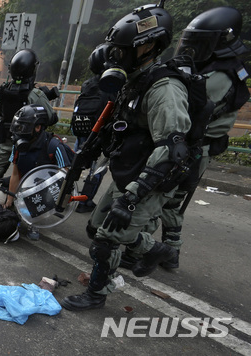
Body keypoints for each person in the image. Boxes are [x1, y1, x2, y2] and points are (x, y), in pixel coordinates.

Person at [62, 3, 189, 311]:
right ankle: (149, 248)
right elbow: (116, 128)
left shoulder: (164, 88)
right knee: (95, 228)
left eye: (122, 50)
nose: (116, 56)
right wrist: (84, 157)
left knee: (105, 238)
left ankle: (97, 293)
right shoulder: (133, 83)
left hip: (151, 178)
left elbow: (172, 149)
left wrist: (132, 197)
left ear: (148, 46)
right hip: (128, 170)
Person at [122, 6, 251, 270]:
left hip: (195, 147)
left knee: (162, 198)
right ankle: (170, 253)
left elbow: (190, 109)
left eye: (199, 43)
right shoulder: (207, 68)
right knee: (171, 201)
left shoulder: (222, 76)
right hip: (188, 143)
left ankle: (151, 252)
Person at [0, 104, 70, 240]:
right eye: (18, 126)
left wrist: (58, 202)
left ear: (38, 127)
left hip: (43, 191)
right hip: (22, 186)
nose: (19, 131)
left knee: (32, 206)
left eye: (24, 127)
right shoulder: (18, 146)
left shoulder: (53, 146)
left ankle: (34, 223)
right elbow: (15, 174)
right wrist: (10, 199)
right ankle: (17, 211)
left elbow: (66, 177)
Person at [0, 49, 55, 193]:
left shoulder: (3, 89)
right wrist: (43, 98)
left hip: (6, 139)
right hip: (29, 142)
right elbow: (51, 118)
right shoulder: (35, 94)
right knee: (29, 175)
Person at [72, 44, 117, 213]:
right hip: (101, 133)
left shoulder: (87, 84)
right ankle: (84, 201)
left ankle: (64, 194)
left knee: (76, 163)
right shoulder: (112, 86)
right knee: (96, 169)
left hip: (82, 129)